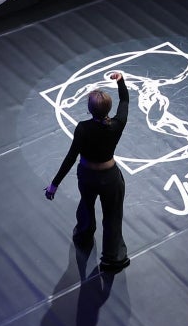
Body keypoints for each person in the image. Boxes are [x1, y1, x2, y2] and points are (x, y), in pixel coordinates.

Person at [45, 72, 133, 274]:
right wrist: (120, 81)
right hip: (110, 178)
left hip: (87, 176)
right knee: (113, 216)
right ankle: (112, 259)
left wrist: (54, 184)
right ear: (108, 108)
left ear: (89, 109)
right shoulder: (118, 124)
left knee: (86, 204)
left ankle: (84, 236)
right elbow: (125, 100)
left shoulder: (83, 128)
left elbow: (70, 157)